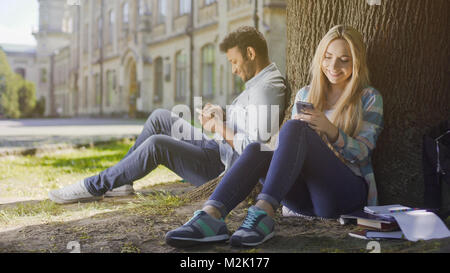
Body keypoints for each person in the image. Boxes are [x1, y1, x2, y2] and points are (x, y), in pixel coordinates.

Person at [165, 25, 384, 248]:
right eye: (328, 57)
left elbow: (363, 154)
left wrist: (330, 130)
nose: (334, 66)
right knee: (256, 149)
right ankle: (210, 217)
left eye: (344, 60)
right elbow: (289, 150)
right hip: (306, 200)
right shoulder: (306, 94)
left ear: (356, 63)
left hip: (344, 194)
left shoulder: (368, 98)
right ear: (320, 57)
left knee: (293, 129)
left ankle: (262, 214)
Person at [49, 26, 286, 204]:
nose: (233, 69)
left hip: (222, 168)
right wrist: (221, 113)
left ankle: (93, 186)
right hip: (217, 150)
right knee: (160, 117)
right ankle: (122, 180)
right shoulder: (258, 82)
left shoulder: (266, 90)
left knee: (157, 145)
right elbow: (247, 120)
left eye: (235, 62)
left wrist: (219, 126)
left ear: (251, 53)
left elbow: (254, 152)